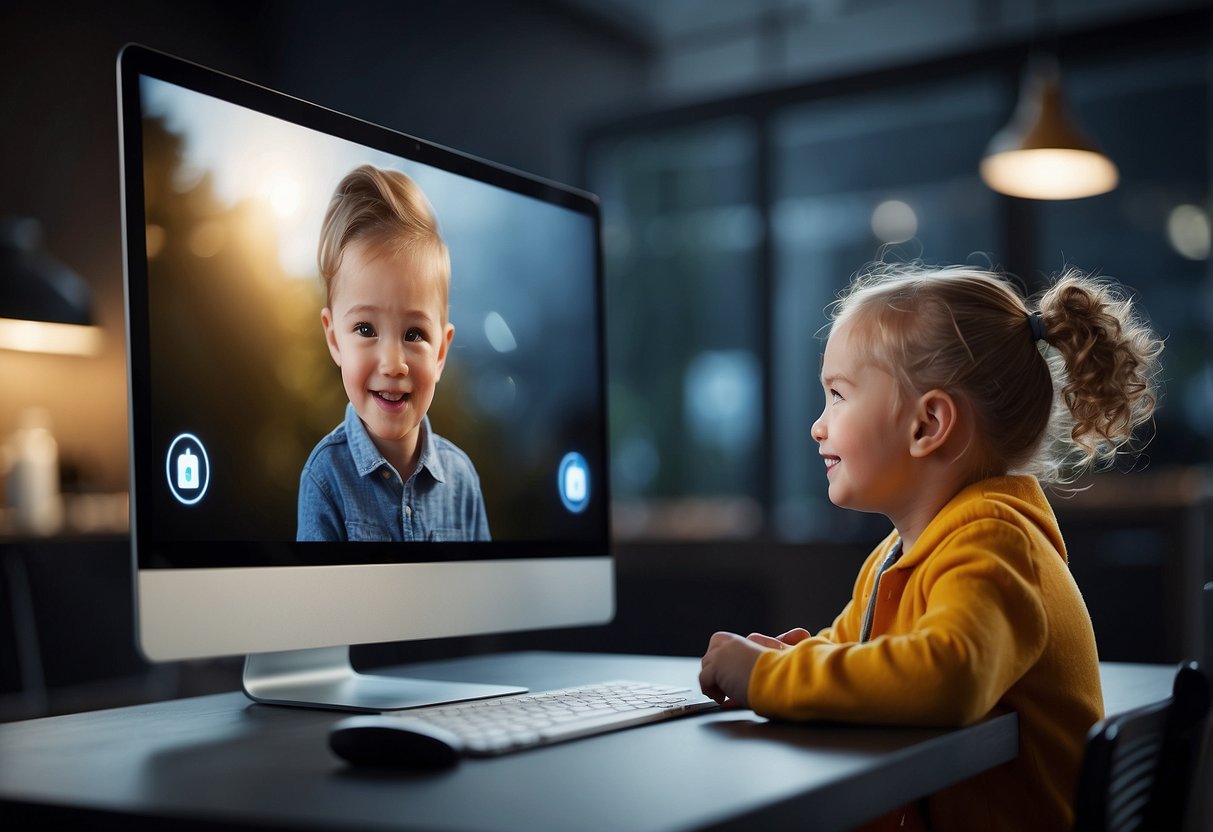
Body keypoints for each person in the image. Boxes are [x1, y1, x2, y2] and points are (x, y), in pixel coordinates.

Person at [698, 263, 1163, 832]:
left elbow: (947, 676)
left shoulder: (996, 542)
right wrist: (792, 661)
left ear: (929, 424)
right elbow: (861, 651)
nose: (818, 427)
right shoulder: (897, 557)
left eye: (837, 397)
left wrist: (766, 681)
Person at [297, 164, 490, 542]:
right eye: (365, 329)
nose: (393, 363)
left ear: (440, 353)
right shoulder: (325, 478)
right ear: (334, 339)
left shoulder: (463, 480)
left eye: (414, 333)